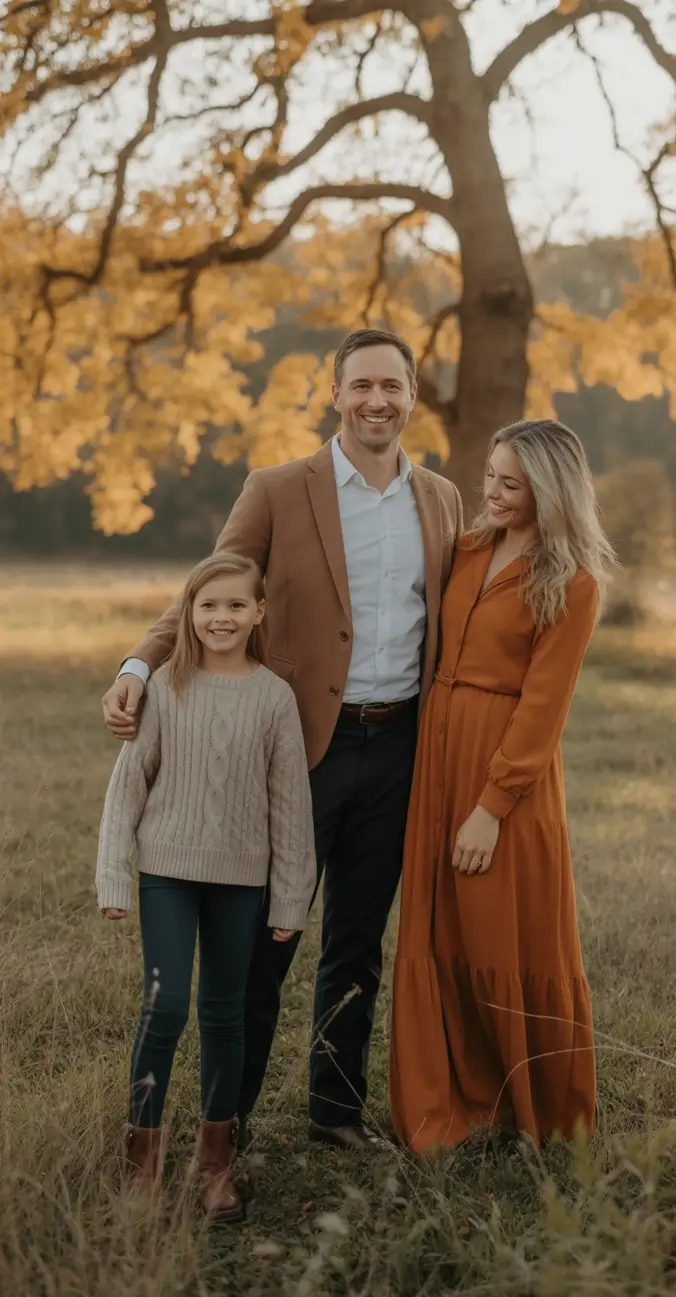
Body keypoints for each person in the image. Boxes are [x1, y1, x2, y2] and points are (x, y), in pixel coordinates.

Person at [101, 328, 463, 1151]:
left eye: (392, 386)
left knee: (358, 942)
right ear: (336, 394)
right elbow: (209, 586)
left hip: (399, 745)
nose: (377, 400)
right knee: (268, 940)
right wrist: (139, 664)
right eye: (361, 385)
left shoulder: (441, 498)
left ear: (412, 396)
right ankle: (228, 1121)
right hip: (296, 748)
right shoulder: (276, 488)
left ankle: (334, 1112)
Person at [390, 419, 616, 1153]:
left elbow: (544, 709)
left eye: (510, 484)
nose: (491, 492)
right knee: (441, 925)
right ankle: (453, 1098)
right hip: (438, 756)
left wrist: (491, 807)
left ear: (551, 491)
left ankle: (534, 1105)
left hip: (505, 772)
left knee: (501, 930)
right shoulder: (467, 550)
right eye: (490, 475)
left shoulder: (572, 584)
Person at [97, 552, 316, 1221]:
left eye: (236, 606)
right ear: (189, 612)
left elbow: (291, 807)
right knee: (163, 1009)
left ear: (259, 613)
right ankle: (142, 1167)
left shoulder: (274, 698)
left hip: (240, 880)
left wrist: (290, 898)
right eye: (209, 605)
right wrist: (114, 877)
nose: (222, 618)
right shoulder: (166, 686)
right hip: (167, 873)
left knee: (225, 1013)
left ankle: (215, 1168)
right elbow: (127, 788)